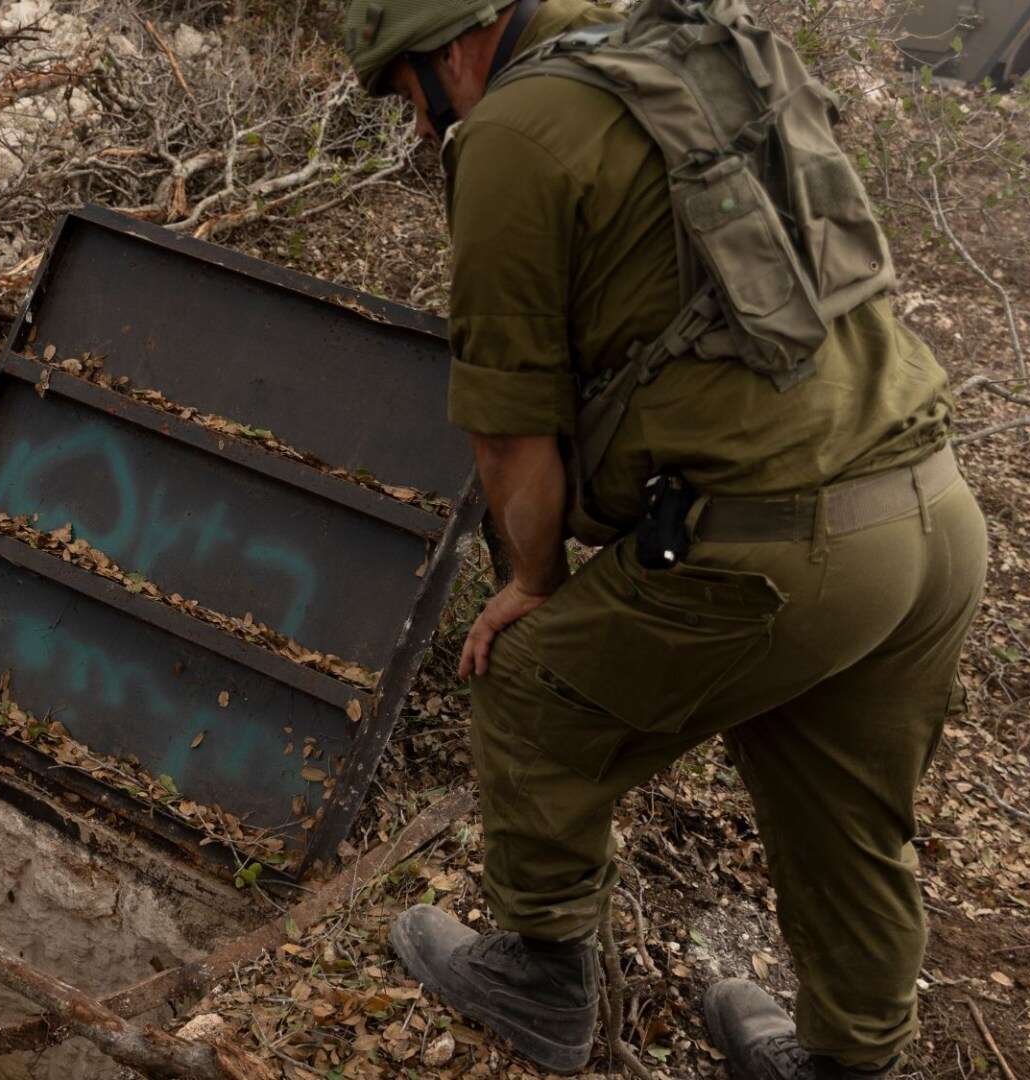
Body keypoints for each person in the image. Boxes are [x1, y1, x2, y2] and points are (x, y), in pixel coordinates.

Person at [339, 0, 990, 1076]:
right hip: (928, 510)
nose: (417, 126)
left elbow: (509, 432)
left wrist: (534, 583)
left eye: (408, 94)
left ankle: (538, 980)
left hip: (787, 549)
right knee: (849, 811)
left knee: (527, 685)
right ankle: (852, 1063)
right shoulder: (678, 54)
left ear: (454, 44)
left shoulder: (510, 129)